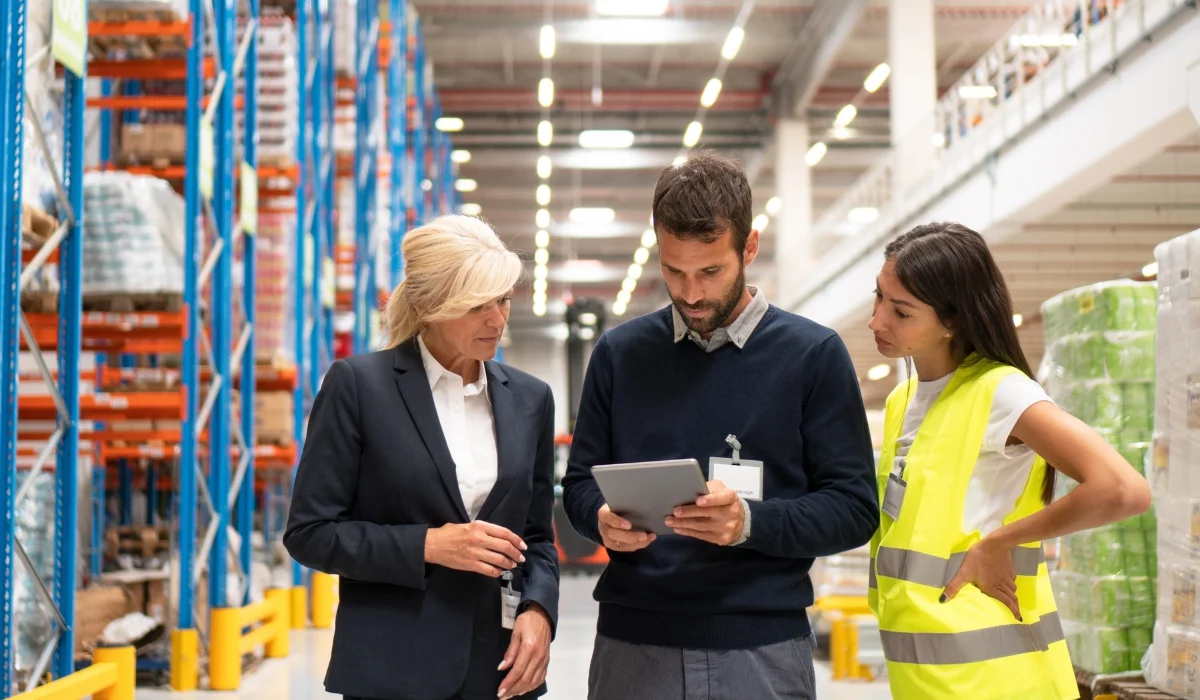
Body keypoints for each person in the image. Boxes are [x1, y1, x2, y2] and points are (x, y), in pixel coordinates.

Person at [561, 152, 880, 700]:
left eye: (710, 271)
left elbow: (853, 510)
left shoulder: (812, 356)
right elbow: (580, 485)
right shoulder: (619, 354)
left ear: (749, 247)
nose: (690, 294)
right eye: (673, 270)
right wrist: (600, 518)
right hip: (632, 650)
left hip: (761, 652)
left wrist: (749, 523)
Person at [866, 222, 1152, 700]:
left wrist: (999, 542)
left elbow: (1123, 489)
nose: (877, 321)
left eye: (901, 311)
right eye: (878, 298)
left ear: (952, 321)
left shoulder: (1001, 392)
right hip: (925, 677)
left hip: (994, 680)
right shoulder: (903, 399)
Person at [284, 215, 560, 700]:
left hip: (501, 674)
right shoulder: (358, 387)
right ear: (430, 305)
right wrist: (429, 546)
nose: (497, 320)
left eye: (503, 299)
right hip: (393, 673)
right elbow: (310, 534)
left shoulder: (530, 399)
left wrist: (539, 611)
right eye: (477, 305)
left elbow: (536, 538)